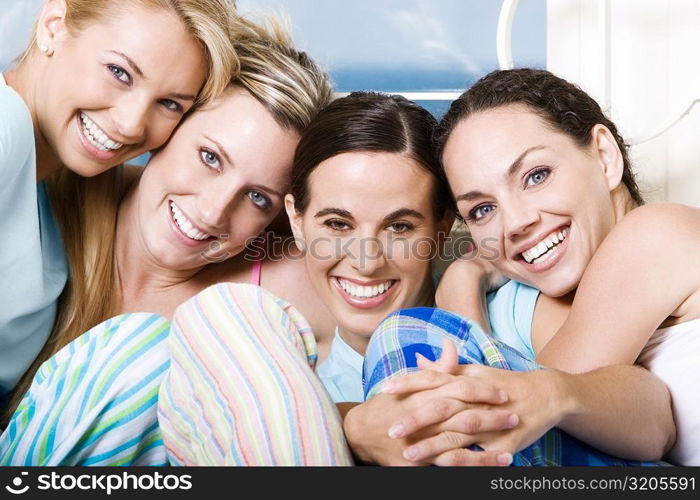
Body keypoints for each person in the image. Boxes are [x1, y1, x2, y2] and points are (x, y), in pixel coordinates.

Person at [155, 92, 669, 466]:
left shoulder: (518, 303)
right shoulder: (285, 387)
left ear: (442, 225)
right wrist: (351, 426)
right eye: (337, 224)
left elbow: (654, 415)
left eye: (400, 227)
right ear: (296, 220)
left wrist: (553, 392)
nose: (365, 260)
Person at [0, 27, 333, 464]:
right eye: (210, 158)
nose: (214, 212)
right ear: (168, 129)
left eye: (257, 198)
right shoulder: (57, 187)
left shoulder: (268, 293)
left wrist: (356, 423)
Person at [366, 68, 693, 465]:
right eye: (483, 209)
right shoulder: (527, 311)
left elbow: (516, 412)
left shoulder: (657, 232)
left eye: (536, 176)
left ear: (605, 158)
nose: (516, 221)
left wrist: (460, 283)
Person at [0, 0, 239, 405]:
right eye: (119, 73)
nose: (131, 124)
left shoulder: (64, 185)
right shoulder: (7, 128)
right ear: (54, 26)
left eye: (170, 104)